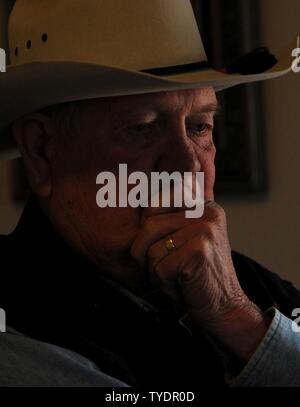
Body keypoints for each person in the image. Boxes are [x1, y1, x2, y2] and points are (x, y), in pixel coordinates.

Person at [0, 0, 299, 387]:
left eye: (199, 126)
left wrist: (236, 317)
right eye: (141, 128)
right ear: (41, 149)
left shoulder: (244, 287)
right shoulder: (15, 329)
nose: (188, 166)